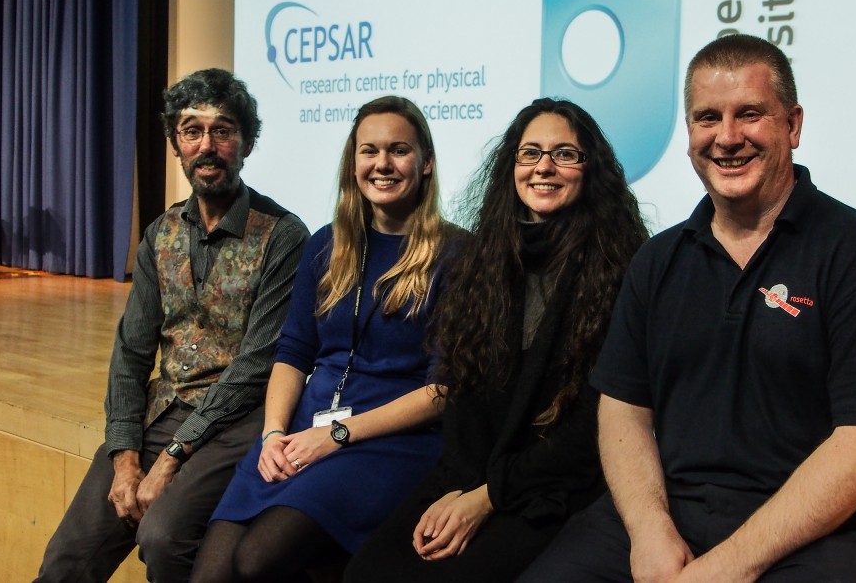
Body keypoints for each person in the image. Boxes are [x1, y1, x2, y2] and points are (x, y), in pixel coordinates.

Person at [519, 34, 856, 583]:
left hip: (822, 531)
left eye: (751, 115)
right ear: (690, 132)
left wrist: (726, 566)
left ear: (793, 124)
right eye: (707, 117)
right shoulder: (657, 260)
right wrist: (649, 529)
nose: (728, 138)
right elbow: (623, 409)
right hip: (670, 511)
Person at [344, 98, 649, 582]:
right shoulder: (482, 260)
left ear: (590, 169)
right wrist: (459, 488)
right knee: (366, 574)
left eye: (564, 154)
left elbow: (591, 434)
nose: (544, 166)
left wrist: (486, 498)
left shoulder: (623, 271)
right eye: (530, 153)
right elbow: (463, 392)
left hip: (554, 489)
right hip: (471, 476)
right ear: (511, 167)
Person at [34, 69, 310, 582]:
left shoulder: (283, 235)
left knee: (161, 538)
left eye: (223, 130)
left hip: (236, 421)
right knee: (67, 559)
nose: (207, 145)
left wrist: (172, 457)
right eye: (192, 130)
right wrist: (124, 457)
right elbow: (131, 354)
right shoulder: (159, 233)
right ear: (176, 145)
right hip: (162, 409)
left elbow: (255, 367)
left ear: (246, 143)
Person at [189, 96, 458, 582]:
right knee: (210, 574)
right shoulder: (326, 243)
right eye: (368, 150)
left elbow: (443, 391)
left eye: (398, 150)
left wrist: (335, 435)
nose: (382, 164)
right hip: (305, 428)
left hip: (391, 439)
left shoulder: (458, 253)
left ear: (426, 164)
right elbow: (292, 353)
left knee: (257, 560)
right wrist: (273, 433)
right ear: (352, 162)